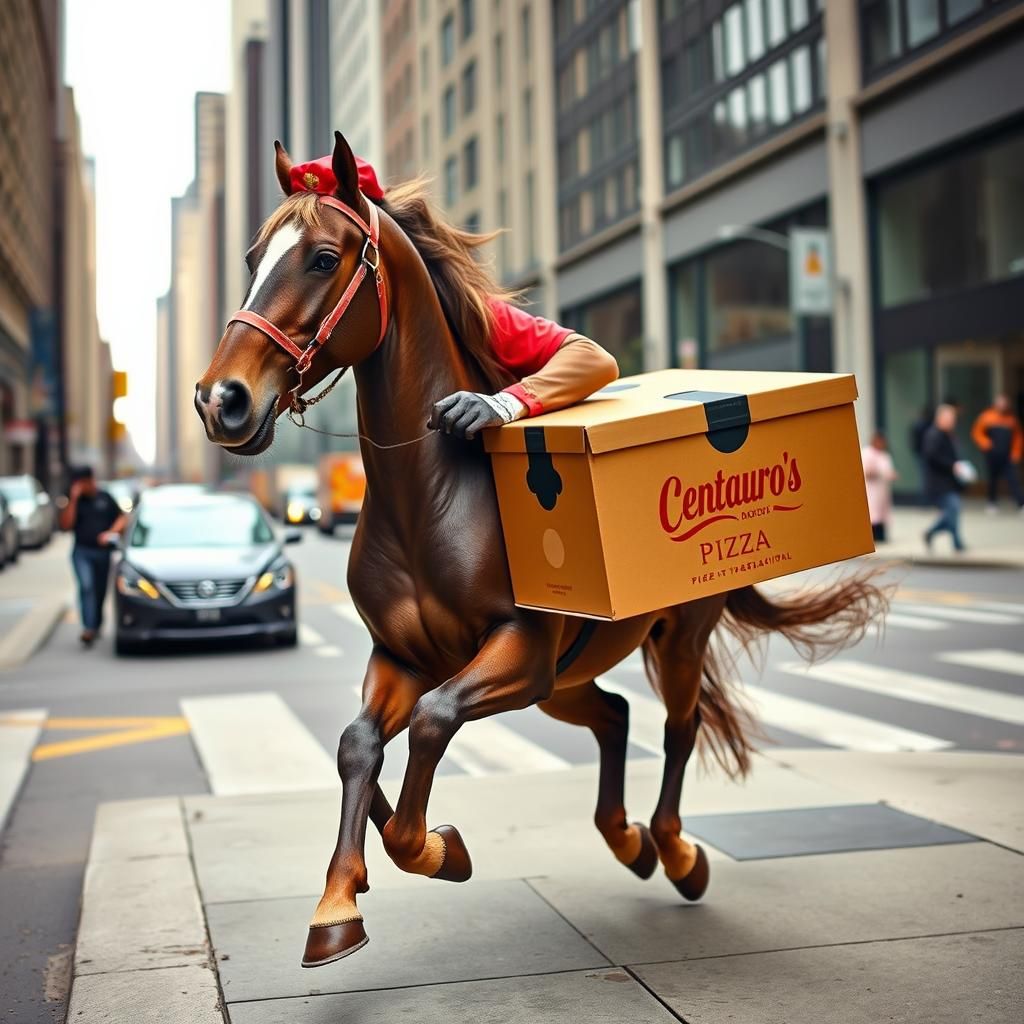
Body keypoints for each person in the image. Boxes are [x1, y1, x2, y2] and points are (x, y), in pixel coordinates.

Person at [60, 467, 126, 646]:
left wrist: (110, 532)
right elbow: (66, 525)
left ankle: (96, 624)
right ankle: (88, 628)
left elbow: (122, 518)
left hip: (103, 553)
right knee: (87, 586)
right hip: (82, 551)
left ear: (90, 480)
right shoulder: (76, 501)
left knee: (99, 590)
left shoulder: (105, 497)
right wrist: (73, 499)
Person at [921, 405, 972, 553]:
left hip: (948, 482)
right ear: (940, 419)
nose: (953, 422)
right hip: (938, 483)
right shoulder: (934, 435)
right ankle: (955, 542)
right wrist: (952, 466)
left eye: (953, 419)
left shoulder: (948, 435)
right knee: (953, 509)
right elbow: (932, 457)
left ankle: (935, 534)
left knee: (952, 512)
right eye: (950, 419)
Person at [971, 394, 1024, 513]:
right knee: (992, 479)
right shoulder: (987, 417)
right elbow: (977, 432)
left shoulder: (1011, 419)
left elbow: (1018, 437)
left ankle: (1021, 503)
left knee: (1013, 479)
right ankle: (991, 503)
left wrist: (1016, 453)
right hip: (992, 455)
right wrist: (986, 444)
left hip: (1006, 455)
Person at [861, 431, 898, 543]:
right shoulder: (867, 453)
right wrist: (877, 472)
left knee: (882, 513)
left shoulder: (884, 455)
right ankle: (873, 535)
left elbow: (888, 470)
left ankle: (881, 534)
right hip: (871, 489)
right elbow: (865, 471)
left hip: (882, 489)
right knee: (873, 512)